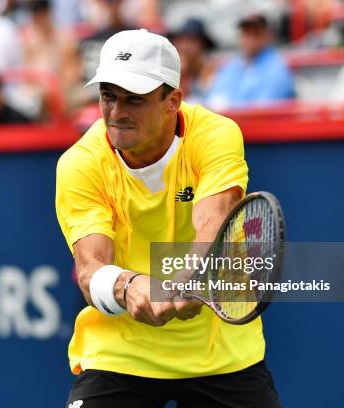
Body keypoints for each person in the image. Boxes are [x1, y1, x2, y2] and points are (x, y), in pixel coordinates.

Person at [55, 29, 281, 407]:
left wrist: (193, 276)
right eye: (108, 96)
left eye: (135, 100)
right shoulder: (79, 163)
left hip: (221, 355)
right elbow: (90, 267)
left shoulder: (215, 135)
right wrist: (129, 286)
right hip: (119, 355)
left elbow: (214, 219)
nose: (117, 113)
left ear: (172, 100)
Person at [206, 13, 295, 110]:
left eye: (256, 34)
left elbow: (263, 109)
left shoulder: (277, 69)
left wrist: (228, 107)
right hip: (232, 122)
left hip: (259, 124)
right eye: (246, 33)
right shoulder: (234, 64)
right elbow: (216, 95)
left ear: (268, 36)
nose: (250, 39)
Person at [168, 18, 217, 105]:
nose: (186, 46)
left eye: (192, 41)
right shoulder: (173, 69)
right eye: (183, 40)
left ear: (203, 45)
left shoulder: (214, 71)